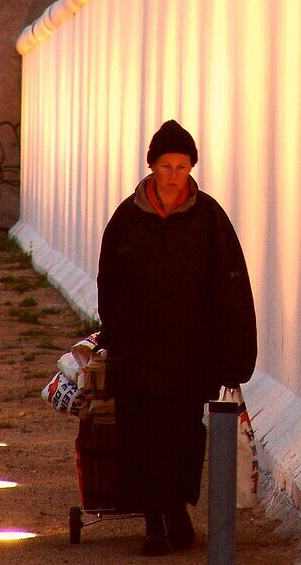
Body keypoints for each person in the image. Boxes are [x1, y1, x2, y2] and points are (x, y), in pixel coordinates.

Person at [96, 120, 257, 556]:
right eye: (166, 165)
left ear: (191, 169)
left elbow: (230, 285)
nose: (173, 174)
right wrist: (113, 333)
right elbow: (108, 280)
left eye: (182, 166)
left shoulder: (209, 218)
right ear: (152, 166)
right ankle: (154, 522)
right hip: (138, 351)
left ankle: (176, 511)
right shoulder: (128, 219)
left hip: (190, 353)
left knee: (182, 435)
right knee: (141, 434)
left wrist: (234, 353)